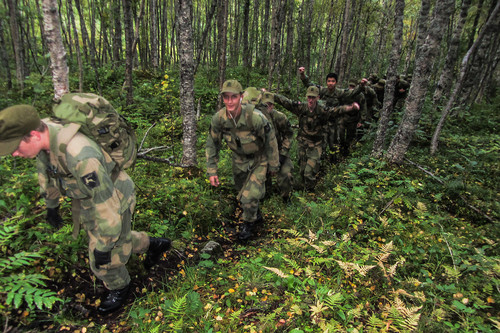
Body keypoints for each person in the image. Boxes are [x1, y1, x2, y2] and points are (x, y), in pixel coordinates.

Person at [0, 103, 172, 314]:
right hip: (88, 197)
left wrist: (103, 246)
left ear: (34, 135)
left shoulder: (80, 155)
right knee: (119, 241)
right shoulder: (45, 132)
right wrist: (51, 205)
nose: (15, 154)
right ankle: (153, 244)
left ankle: (120, 287)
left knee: (103, 260)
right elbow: (45, 166)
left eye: (16, 148)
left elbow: (107, 205)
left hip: (113, 198)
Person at [206, 80, 279, 241]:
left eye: (233, 97)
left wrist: (274, 164)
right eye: (226, 97)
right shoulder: (219, 119)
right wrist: (212, 170)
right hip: (238, 160)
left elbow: (270, 139)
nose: (230, 101)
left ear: (240, 97)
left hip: (259, 159)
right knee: (241, 192)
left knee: (249, 196)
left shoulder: (255, 117)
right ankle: (256, 214)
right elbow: (212, 144)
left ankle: (248, 225)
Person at [274, 86, 359, 191]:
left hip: (316, 144)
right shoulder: (301, 108)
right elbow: (286, 102)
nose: (310, 100)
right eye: (309, 97)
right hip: (302, 143)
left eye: (313, 98)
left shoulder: (322, 110)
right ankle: (303, 189)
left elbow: (336, 111)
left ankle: (310, 192)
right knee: (302, 170)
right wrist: (271, 95)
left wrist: (350, 108)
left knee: (308, 172)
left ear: (318, 98)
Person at [298, 67, 365, 163]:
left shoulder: (339, 92)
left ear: (336, 82)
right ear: (326, 82)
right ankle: (321, 164)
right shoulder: (322, 90)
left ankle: (335, 162)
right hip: (323, 124)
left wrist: (361, 86)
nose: (330, 83)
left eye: (333, 81)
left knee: (334, 144)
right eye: (329, 81)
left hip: (335, 123)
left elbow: (352, 92)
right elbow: (310, 85)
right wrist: (303, 75)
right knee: (322, 144)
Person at [258, 92, 294, 203]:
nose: (267, 107)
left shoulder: (280, 117)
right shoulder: (256, 118)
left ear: (273, 105)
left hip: (279, 152)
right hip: (263, 155)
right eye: (265, 105)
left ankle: (286, 197)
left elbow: (289, 134)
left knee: (286, 174)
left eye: (270, 104)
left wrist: (283, 154)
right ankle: (265, 194)